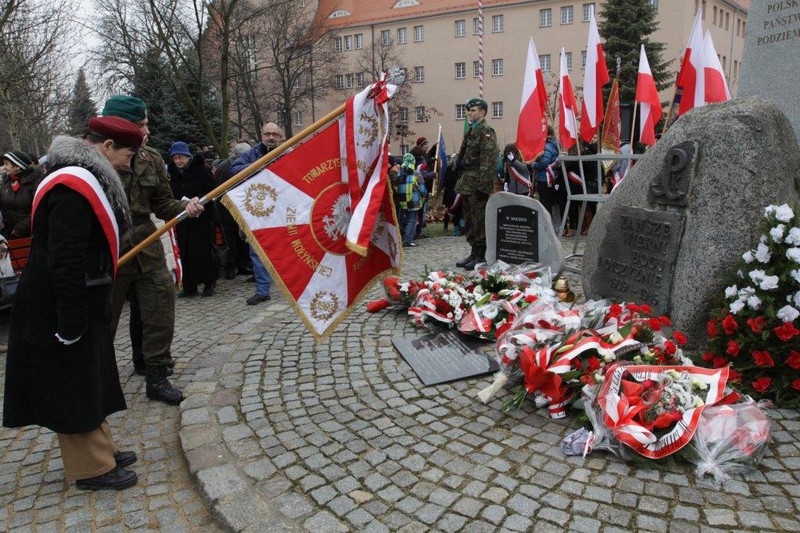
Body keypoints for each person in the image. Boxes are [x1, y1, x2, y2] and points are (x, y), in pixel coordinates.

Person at [3, 116, 144, 490]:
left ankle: (102, 449)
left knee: (89, 376)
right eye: (128, 154)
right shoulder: (71, 187)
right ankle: (91, 469)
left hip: (80, 295)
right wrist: (70, 320)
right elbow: (65, 259)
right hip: (61, 301)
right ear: (107, 147)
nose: (129, 163)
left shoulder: (82, 177)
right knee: (74, 383)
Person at [102, 95, 204, 405]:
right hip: (110, 248)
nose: (147, 130)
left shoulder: (151, 158)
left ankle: (157, 375)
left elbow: (162, 202)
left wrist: (185, 206)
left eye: (146, 124)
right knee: (103, 317)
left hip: (147, 245)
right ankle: (99, 380)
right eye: (141, 125)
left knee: (161, 306)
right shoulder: (95, 159)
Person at [231, 122, 284, 305]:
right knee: (257, 250)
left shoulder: (286, 152)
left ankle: (291, 284)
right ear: (262, 135)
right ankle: (263, 290)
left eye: (274, 134)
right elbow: (234, 169)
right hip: (259, 209)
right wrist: (256, 167)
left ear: (280, 137)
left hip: (283, 209)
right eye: (267, 134)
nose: (271, 137)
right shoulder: (252, 154)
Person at [167, 141, 218, 297]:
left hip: (202, 216)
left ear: (188, 156)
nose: (178, 161)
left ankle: (209, 282)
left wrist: (199, 200)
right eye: (175, 158)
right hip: (183, 217)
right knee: (185, 251)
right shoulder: (173, 173)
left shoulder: (201, 170)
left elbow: (214, 190)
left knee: (203, 251)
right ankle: (190, 285)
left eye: (180, 158)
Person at [454, 98, 499, 269]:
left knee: (479, 220)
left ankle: (480, 256)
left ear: (482, 112)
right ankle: (473, 252)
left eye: (473, 110)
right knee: (470, 220)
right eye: (469, 111)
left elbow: (488, 161)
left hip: (478, 184)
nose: (469, 113)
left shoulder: (486, 131)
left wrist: (484, 186)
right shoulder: (472, 131)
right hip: (467, 183)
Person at [214, 142, 253, 280]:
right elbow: (218, 192)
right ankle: (230, 267)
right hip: (227, 209)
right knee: (230, 240)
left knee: (242, 239)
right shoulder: (224, 168)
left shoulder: (241, 166)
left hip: (240, 207)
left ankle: (242, 264)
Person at [0, 151, 44, 238]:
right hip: (10, 234)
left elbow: (39, 209)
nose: (4, 167)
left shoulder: (34, 182)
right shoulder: (6, 182)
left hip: (31, 234)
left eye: (7, 164)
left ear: (17, 166)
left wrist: (20, 229)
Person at [394, 153, 427, 247]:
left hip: (403, 201)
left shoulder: (400, 173)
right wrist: (423, 197)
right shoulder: (416, 174)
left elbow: (396, 186)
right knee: (412, 221)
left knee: (405, 220)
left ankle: (405, 238)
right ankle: (408, 240)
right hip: (414, 201)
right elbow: (422, 189)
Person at [530, 126, 560, 219]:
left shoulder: (547, 146)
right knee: (550, 202)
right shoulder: (555, 144)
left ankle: (548, 223)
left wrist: (534, 164)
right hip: (551, 177)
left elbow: (544, 162)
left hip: (544, 178)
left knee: (545, 203)